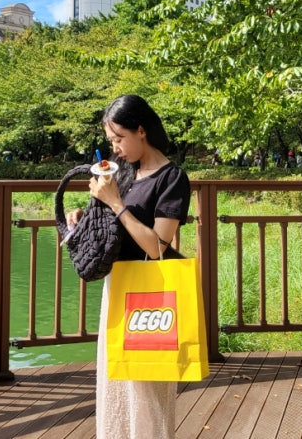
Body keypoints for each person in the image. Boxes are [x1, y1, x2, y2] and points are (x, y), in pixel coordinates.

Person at [67, 94, 191, 439]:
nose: (115, 148)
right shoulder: (122, 173)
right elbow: (111, 223)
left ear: (141, 131)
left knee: (147, 388)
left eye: (119, 138)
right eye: (111, 140)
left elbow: (157, 246)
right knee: (116, 384)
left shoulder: (172, 178)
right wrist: (84, 216)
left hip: (151, 295)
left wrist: (115, 203)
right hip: (118, 286)